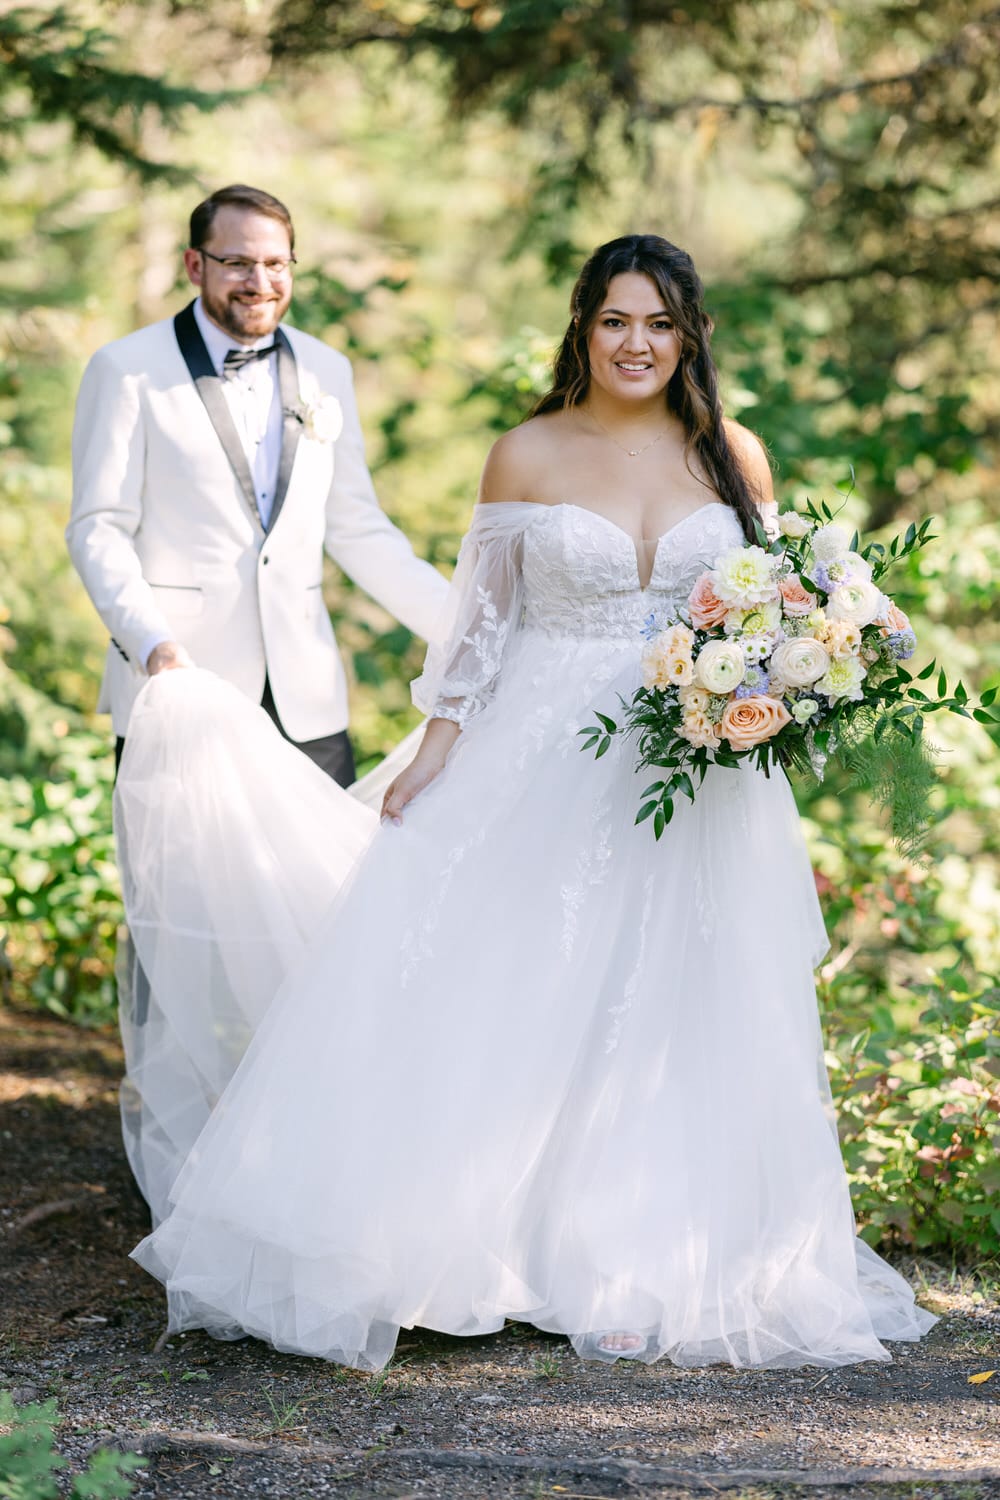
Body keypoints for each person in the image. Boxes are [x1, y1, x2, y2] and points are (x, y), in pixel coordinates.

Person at [129, 234, 935, 1370]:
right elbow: (483, 626)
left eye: (659, 322)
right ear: (583, 330)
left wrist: (795, 681)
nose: (637, 343)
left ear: (690, 332)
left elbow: (780, 609)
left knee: (675, 992)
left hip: (698, 766)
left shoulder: (731, 455)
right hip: (546, 744)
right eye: (615, 321)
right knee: (523, 981)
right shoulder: (527, 453)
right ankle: (469, 1240)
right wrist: (435, 746)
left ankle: (627, 1252)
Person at [67, 182, 448, 785]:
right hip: (180, 686)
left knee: (330, 877)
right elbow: (98, 530)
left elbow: (359, 530)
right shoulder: (125, 370)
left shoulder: (328, 369)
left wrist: (460, 630)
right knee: (185, 880)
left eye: (275, 263)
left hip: (307, 698)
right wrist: (153, 645)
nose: (260, 282)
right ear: (195, 265)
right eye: (237, 262)